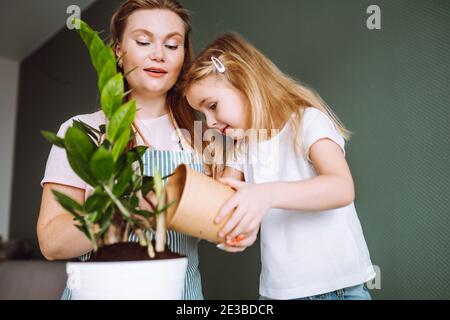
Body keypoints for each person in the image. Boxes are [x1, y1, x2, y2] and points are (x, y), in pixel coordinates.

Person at [183, 33, 376, 300]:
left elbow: (341, 187)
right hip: (278, 294)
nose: (210, 122)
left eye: (213, 106)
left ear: (245, 81)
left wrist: (266, 194)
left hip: (338, 291)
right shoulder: (242, 149)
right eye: (203, 114)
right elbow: (224, 204)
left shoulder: (307, 122)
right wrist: (240, 228)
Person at [37, 0, 204, 300]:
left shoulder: (204, 137)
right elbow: (51, 244)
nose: (158, 54)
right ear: (117, 50)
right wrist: (120, 209)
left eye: (172, 45)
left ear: (183, 56)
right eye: (143, 41)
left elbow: (223, 227)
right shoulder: (82, 132)